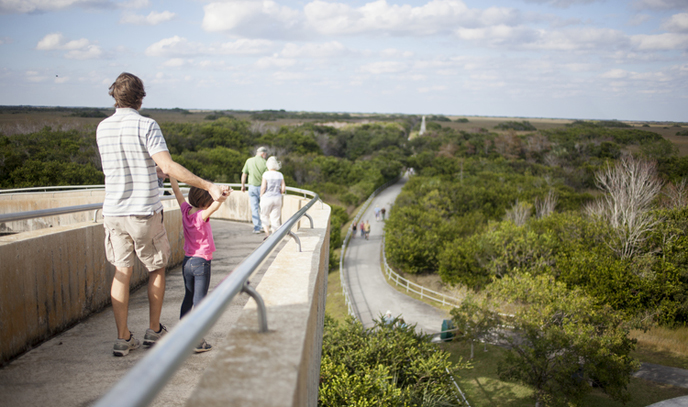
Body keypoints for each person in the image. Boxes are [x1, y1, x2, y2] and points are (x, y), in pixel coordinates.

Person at [97, 72, 228, 357]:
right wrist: (208, 186)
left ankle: (123, 339)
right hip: (142, 211)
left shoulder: (102, 127)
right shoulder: (147, 125)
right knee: (155, 268)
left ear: (114, 96)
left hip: (113, 212)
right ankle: (154, 330)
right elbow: (168, 167)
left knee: (121, 272)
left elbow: (125, 165)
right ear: (140, 97)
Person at [170, 177, 229, 353]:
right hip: (201, 263)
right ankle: (196, 339)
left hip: (187, 262)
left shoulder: (185, 210)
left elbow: (177, 192)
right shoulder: (201, 216)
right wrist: (223, 196)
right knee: (200, 300)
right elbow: (216, 205)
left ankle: (182, 333)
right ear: (206, 200)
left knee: (188, 297)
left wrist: (172, 176)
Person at [241, 147, 268, 234]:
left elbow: (244, 174)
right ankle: (264, 226)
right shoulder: (265, 162)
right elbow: (267, 177)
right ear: (262, 154)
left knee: (254, 208)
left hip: (252, 187)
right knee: (263, 208)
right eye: (265, 154)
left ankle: (257, 227)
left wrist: (243, 185)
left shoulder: (249, 161)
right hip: (262, 188)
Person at [260, 156, 286, 238]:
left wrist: (261, 195)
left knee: (264, 216)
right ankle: (274, 235)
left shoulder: (266, 174)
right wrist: (280, 192)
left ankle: (267, 234)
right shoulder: (280, 174)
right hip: (277, 198)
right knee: (275, 218)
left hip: (267, 198)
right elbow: (283, 188)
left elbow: (263, 187)